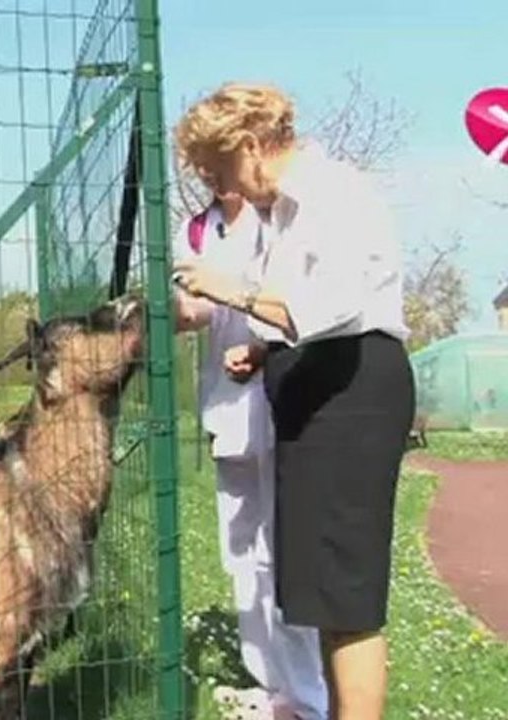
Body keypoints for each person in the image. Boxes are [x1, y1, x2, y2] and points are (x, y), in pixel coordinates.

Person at [171, 82, 414, 720]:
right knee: (326, 598)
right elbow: (299, 317)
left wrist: (232, 291)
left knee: (347, 596)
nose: (219, 185)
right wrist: (263, 350)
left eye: (218, 170)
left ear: (250, 147)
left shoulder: (333, 194)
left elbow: (333, 305)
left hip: (352, 393)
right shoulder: (282, 213)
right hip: (313, 387)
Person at [172, 189, 328, 720]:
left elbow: (300, 308)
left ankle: (309, 696)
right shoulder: (198, 229)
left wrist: (262, 351)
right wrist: (168, 310)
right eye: (202, 166)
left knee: (282, 551)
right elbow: (193, 312)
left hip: (279, 396)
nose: (212, 176)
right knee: (240, 551)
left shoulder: (280, 219)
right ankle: (271, 685)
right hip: (227, 402)